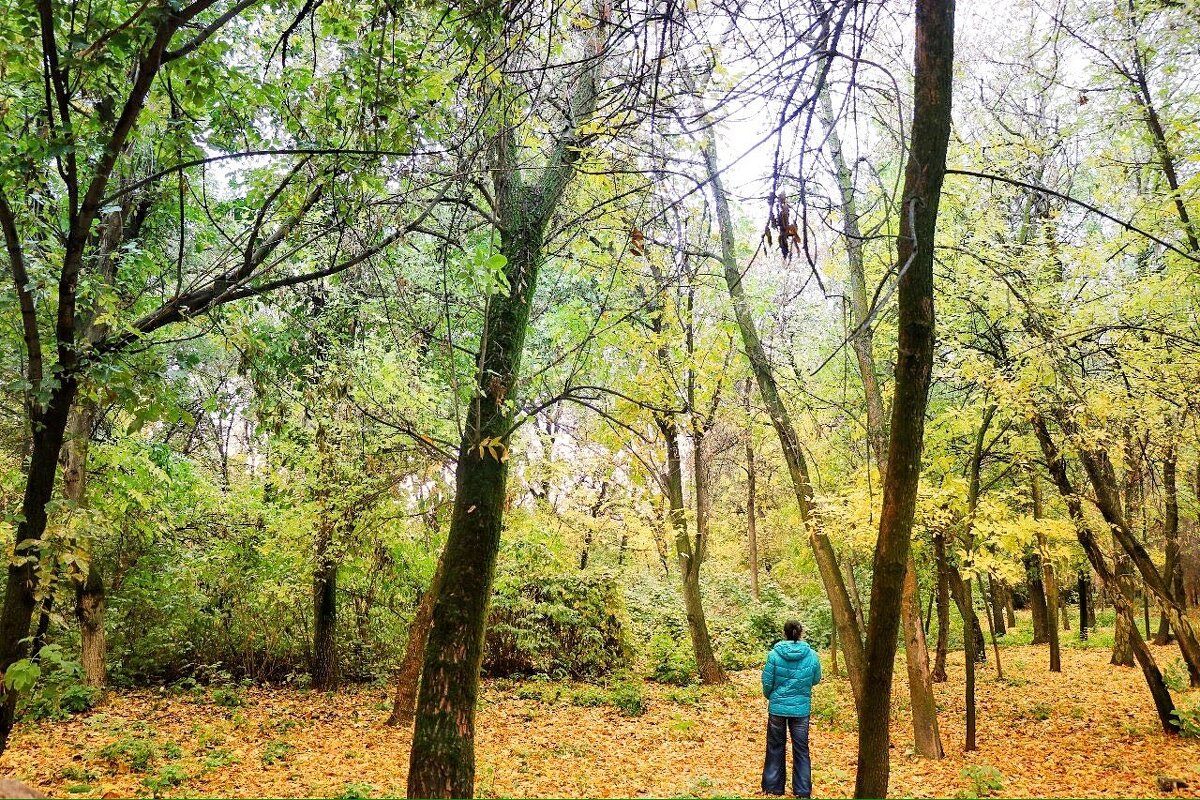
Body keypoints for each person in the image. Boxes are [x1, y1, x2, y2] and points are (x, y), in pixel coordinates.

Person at [761, 620, 821, 798]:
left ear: (784, 633)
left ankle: (773, 788)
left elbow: (767, 682)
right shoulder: (812, 655)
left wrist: (771, 696)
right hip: (801, 710)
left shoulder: (773, 655)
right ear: (800, 632)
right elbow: (816, 679)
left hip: (777, 708)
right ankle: (802, 791)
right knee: (801, 749)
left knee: (775, 746)